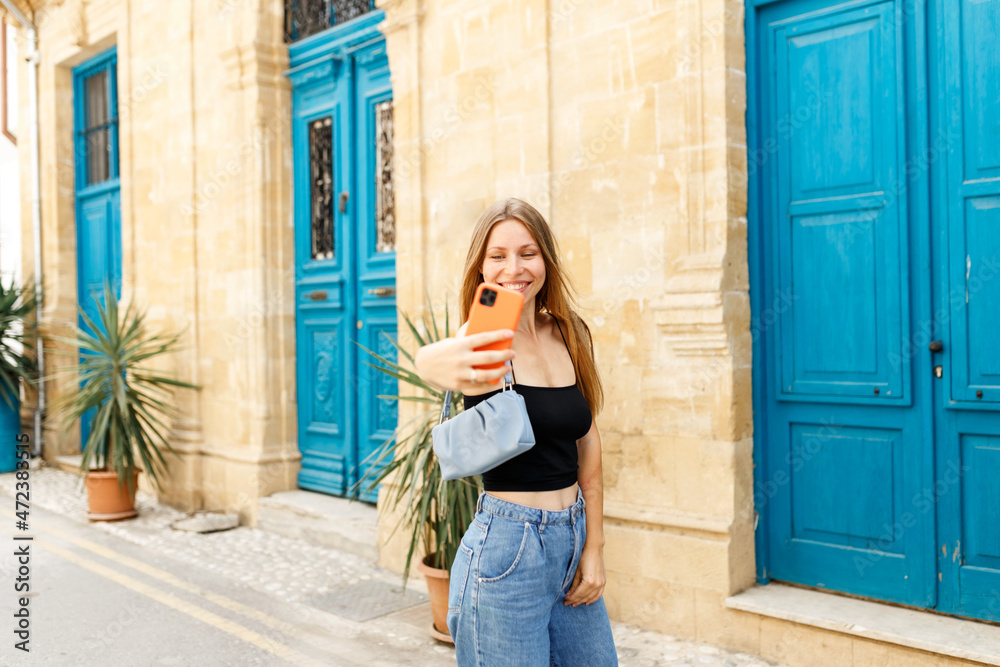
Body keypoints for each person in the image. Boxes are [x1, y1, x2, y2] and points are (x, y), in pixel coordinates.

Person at [414, 198, 618, 666]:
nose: (514, 268)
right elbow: (432, 361)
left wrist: (594, 547)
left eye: (528, 253)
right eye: (497, 256)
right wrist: (432, 359)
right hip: (506, 551)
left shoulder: (570, 333)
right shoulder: (482, 339)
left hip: (571, 538)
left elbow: (588, 441)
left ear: (545, 257)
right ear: (481, 268)